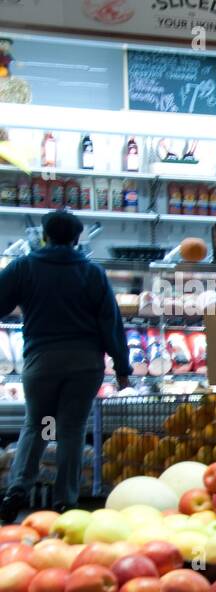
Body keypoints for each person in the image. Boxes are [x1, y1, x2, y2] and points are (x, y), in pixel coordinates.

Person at [0, 209, 129, 519]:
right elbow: (110, 322)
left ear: (45, 235)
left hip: (43, 362)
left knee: (41, 425)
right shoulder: (92, 272)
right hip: (84, 364)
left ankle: (19, 487)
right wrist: (122, 368)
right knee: (70, 430)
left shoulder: (24, 267)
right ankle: (65, 500)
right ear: (76, 238)